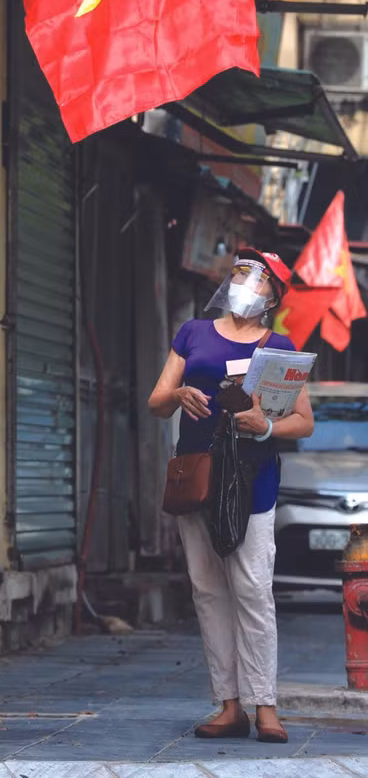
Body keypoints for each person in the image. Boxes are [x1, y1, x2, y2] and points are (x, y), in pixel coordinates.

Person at [148, 249, 314, 745]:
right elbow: (156, 401)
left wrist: (265, 426)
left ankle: (266, 705)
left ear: (273, 298)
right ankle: (228, 705)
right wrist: (178, 396)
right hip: (196, 475)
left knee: (253, 591)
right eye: (242, 274)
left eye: (260, 281)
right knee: (207, 590)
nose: (247, 285)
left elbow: (303, 421)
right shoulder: (192, 333)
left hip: (251, 479)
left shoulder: (278, 345)